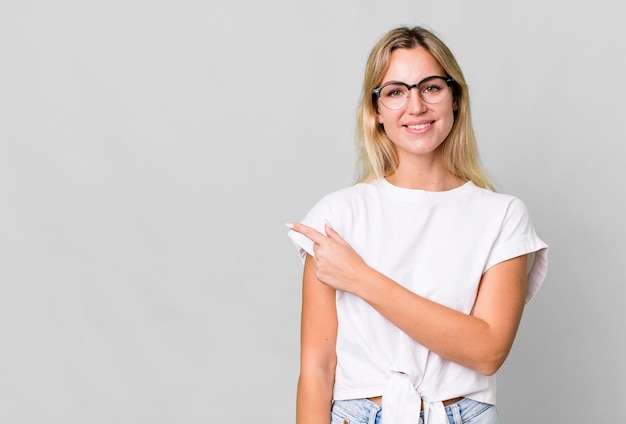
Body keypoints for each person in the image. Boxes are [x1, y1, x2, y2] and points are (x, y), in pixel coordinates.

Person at [286, 26, 548, 424]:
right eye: (395, 92)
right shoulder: (336, 216)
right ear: (375, 112)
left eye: (431, 88)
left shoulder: (502, 216)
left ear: (455, 98)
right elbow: (317, 371)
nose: (416, 106)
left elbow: (488, 350)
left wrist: (359, 277)